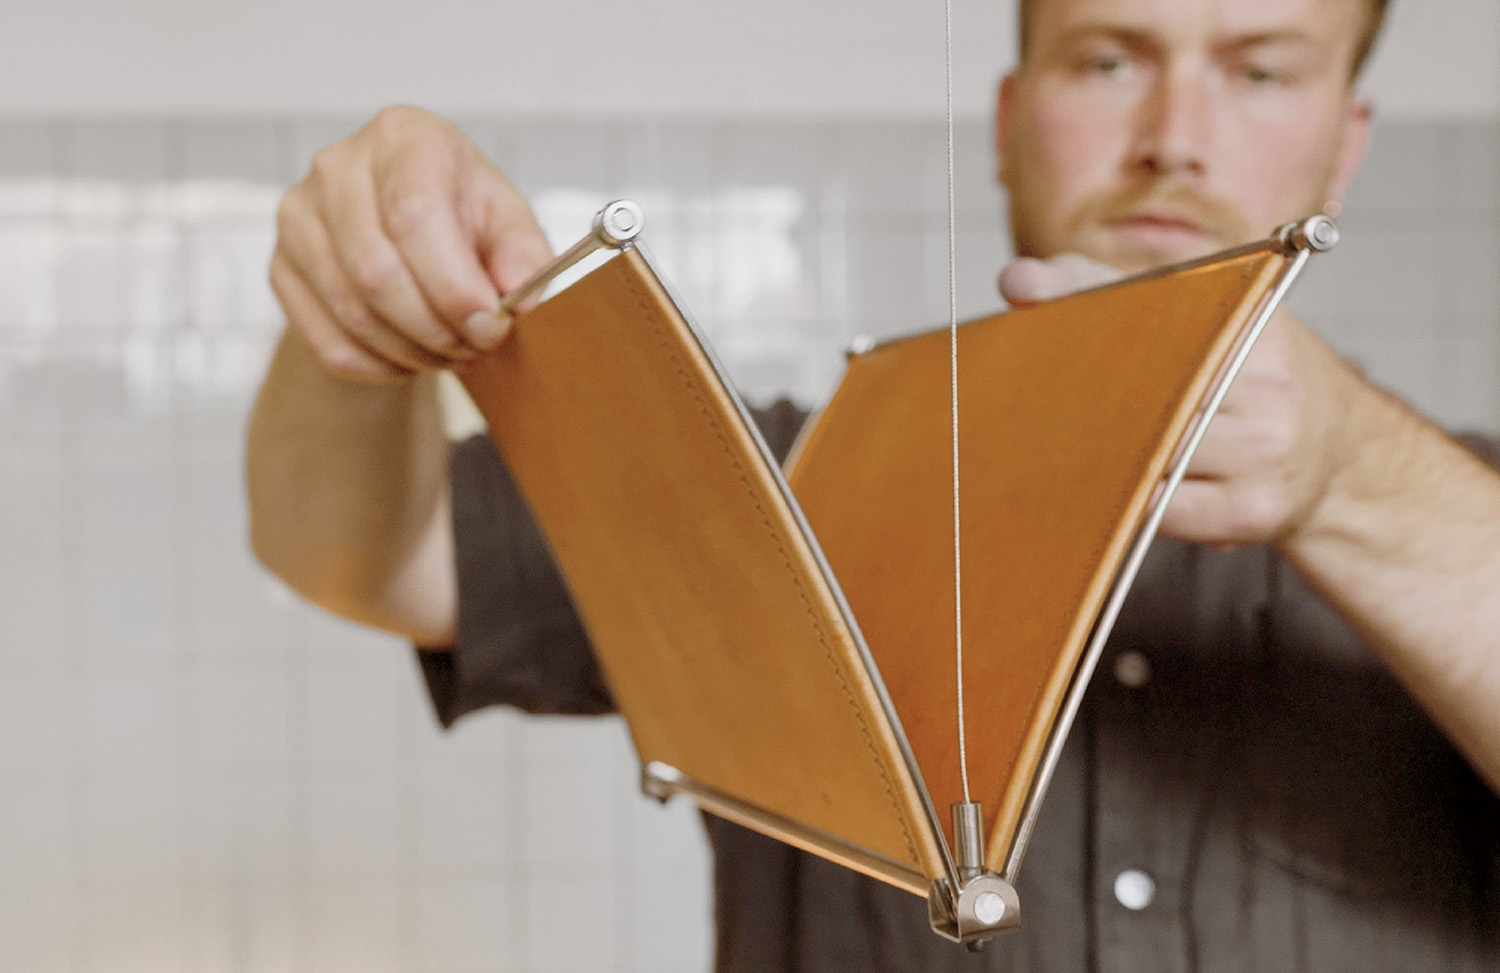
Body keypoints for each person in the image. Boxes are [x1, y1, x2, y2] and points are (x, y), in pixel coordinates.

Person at [246, 0, 1500, 967]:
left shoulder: (1466, 502)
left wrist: (1359, 480)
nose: (1174, 138)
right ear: (1007, 121)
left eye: (1260, 72)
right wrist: (356, 319)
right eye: (1108, 60)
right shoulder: (783, 482)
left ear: (1345, 144)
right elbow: (370, 555)